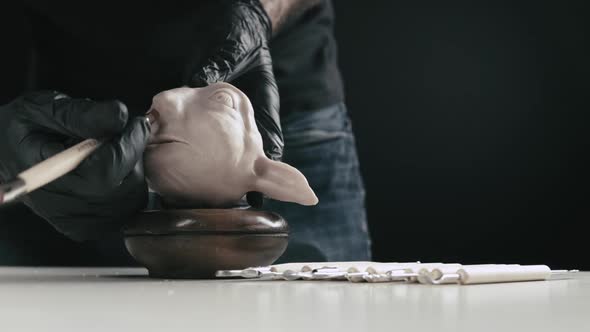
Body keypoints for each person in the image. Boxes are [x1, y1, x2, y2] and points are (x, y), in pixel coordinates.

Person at [0, 0, 371, 265]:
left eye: (223, 101)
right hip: (63, 131)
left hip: (290, 100)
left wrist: (261, 11)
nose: (165, 98)